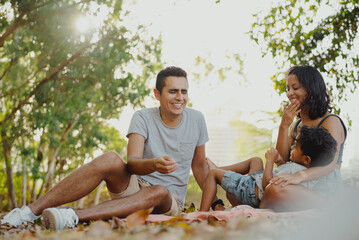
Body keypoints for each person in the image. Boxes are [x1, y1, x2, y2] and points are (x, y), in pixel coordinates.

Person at [1, 66, 210, 230]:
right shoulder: (142, 117)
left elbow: (200, 167)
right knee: (111, 158)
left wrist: (213, 203)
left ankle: (72, 217)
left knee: (160, 190)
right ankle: (28, 212)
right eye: (173, 91)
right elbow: (133, 163)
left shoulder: (197, 119)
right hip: (134, 185)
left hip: (167, 201)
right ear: (157, 94)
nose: (179, 97)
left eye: (184, 91)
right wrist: (154, 164)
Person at [260, 65, 347, 212]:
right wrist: (284, 127)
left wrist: (299, 176)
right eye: (288, 89)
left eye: (295, 88)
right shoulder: (297, 125)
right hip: (299, 187)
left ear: (311, 89)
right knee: (256, 183)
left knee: (274, 190)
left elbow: (330, 164)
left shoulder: (330, 121)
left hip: (323, 190)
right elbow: (282, 160)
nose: (289, 93)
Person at [200, 126, 337, 211]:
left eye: (295, 147)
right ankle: (222, 172)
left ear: (307, 159)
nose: (291, 148)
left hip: (250, 189)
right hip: (255, 186)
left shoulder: (294, 170)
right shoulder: (302, 171)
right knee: (256, 161)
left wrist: (270, 161)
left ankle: (202, 213)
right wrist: (281, 162)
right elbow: (282, 175)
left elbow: (267, 184)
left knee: (212, 174)